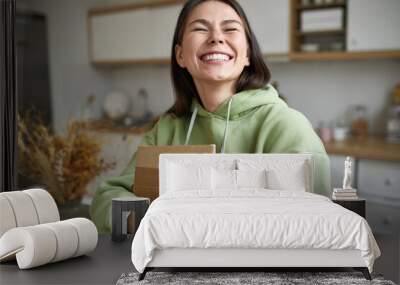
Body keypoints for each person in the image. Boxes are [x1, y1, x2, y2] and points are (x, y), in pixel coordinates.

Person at [90, 0, 331, 233]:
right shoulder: (166, 129)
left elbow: (313, 224)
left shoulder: (287, 126)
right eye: (200, 28)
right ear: (181, 55)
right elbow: (108, 198)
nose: (216, 37)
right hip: (172, 269)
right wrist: (154, 221)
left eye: (230, 28)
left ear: (247, 53)